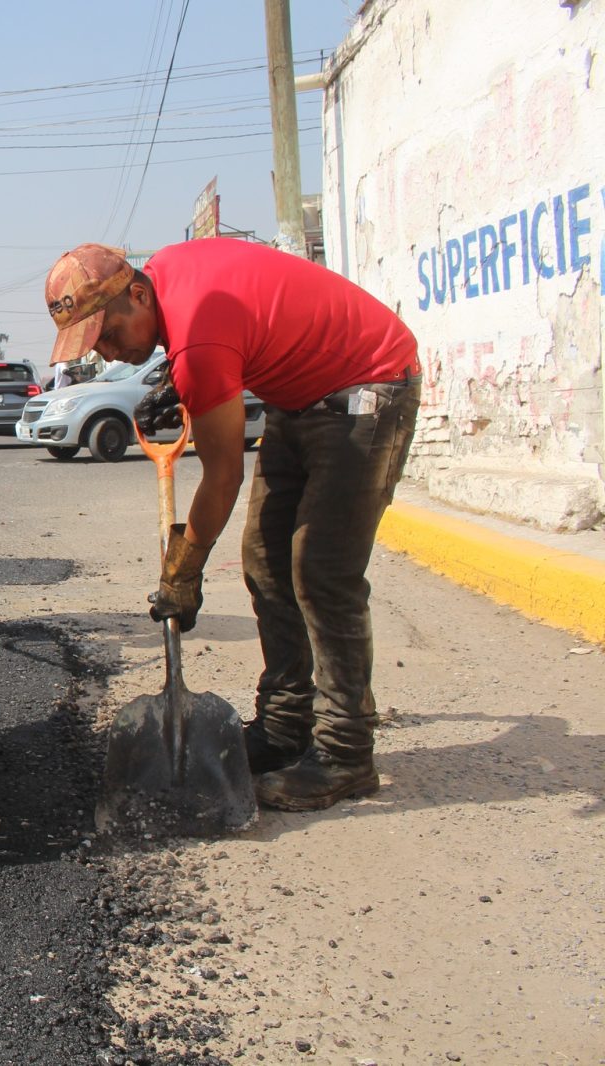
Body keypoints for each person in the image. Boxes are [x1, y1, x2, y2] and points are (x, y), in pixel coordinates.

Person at [44, 238, 420, 812]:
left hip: (369, 386)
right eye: (97, 347)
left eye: (111, 335)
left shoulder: (197, 339)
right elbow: (234, 326)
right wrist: (177, 374)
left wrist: (183, 573)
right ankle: (285, 725)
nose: (112, 357)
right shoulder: (166, 281)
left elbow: (222, 478)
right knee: (266, 564)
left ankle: (346, 752)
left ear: (137, 294)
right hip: (298, 399)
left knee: (322, 572)